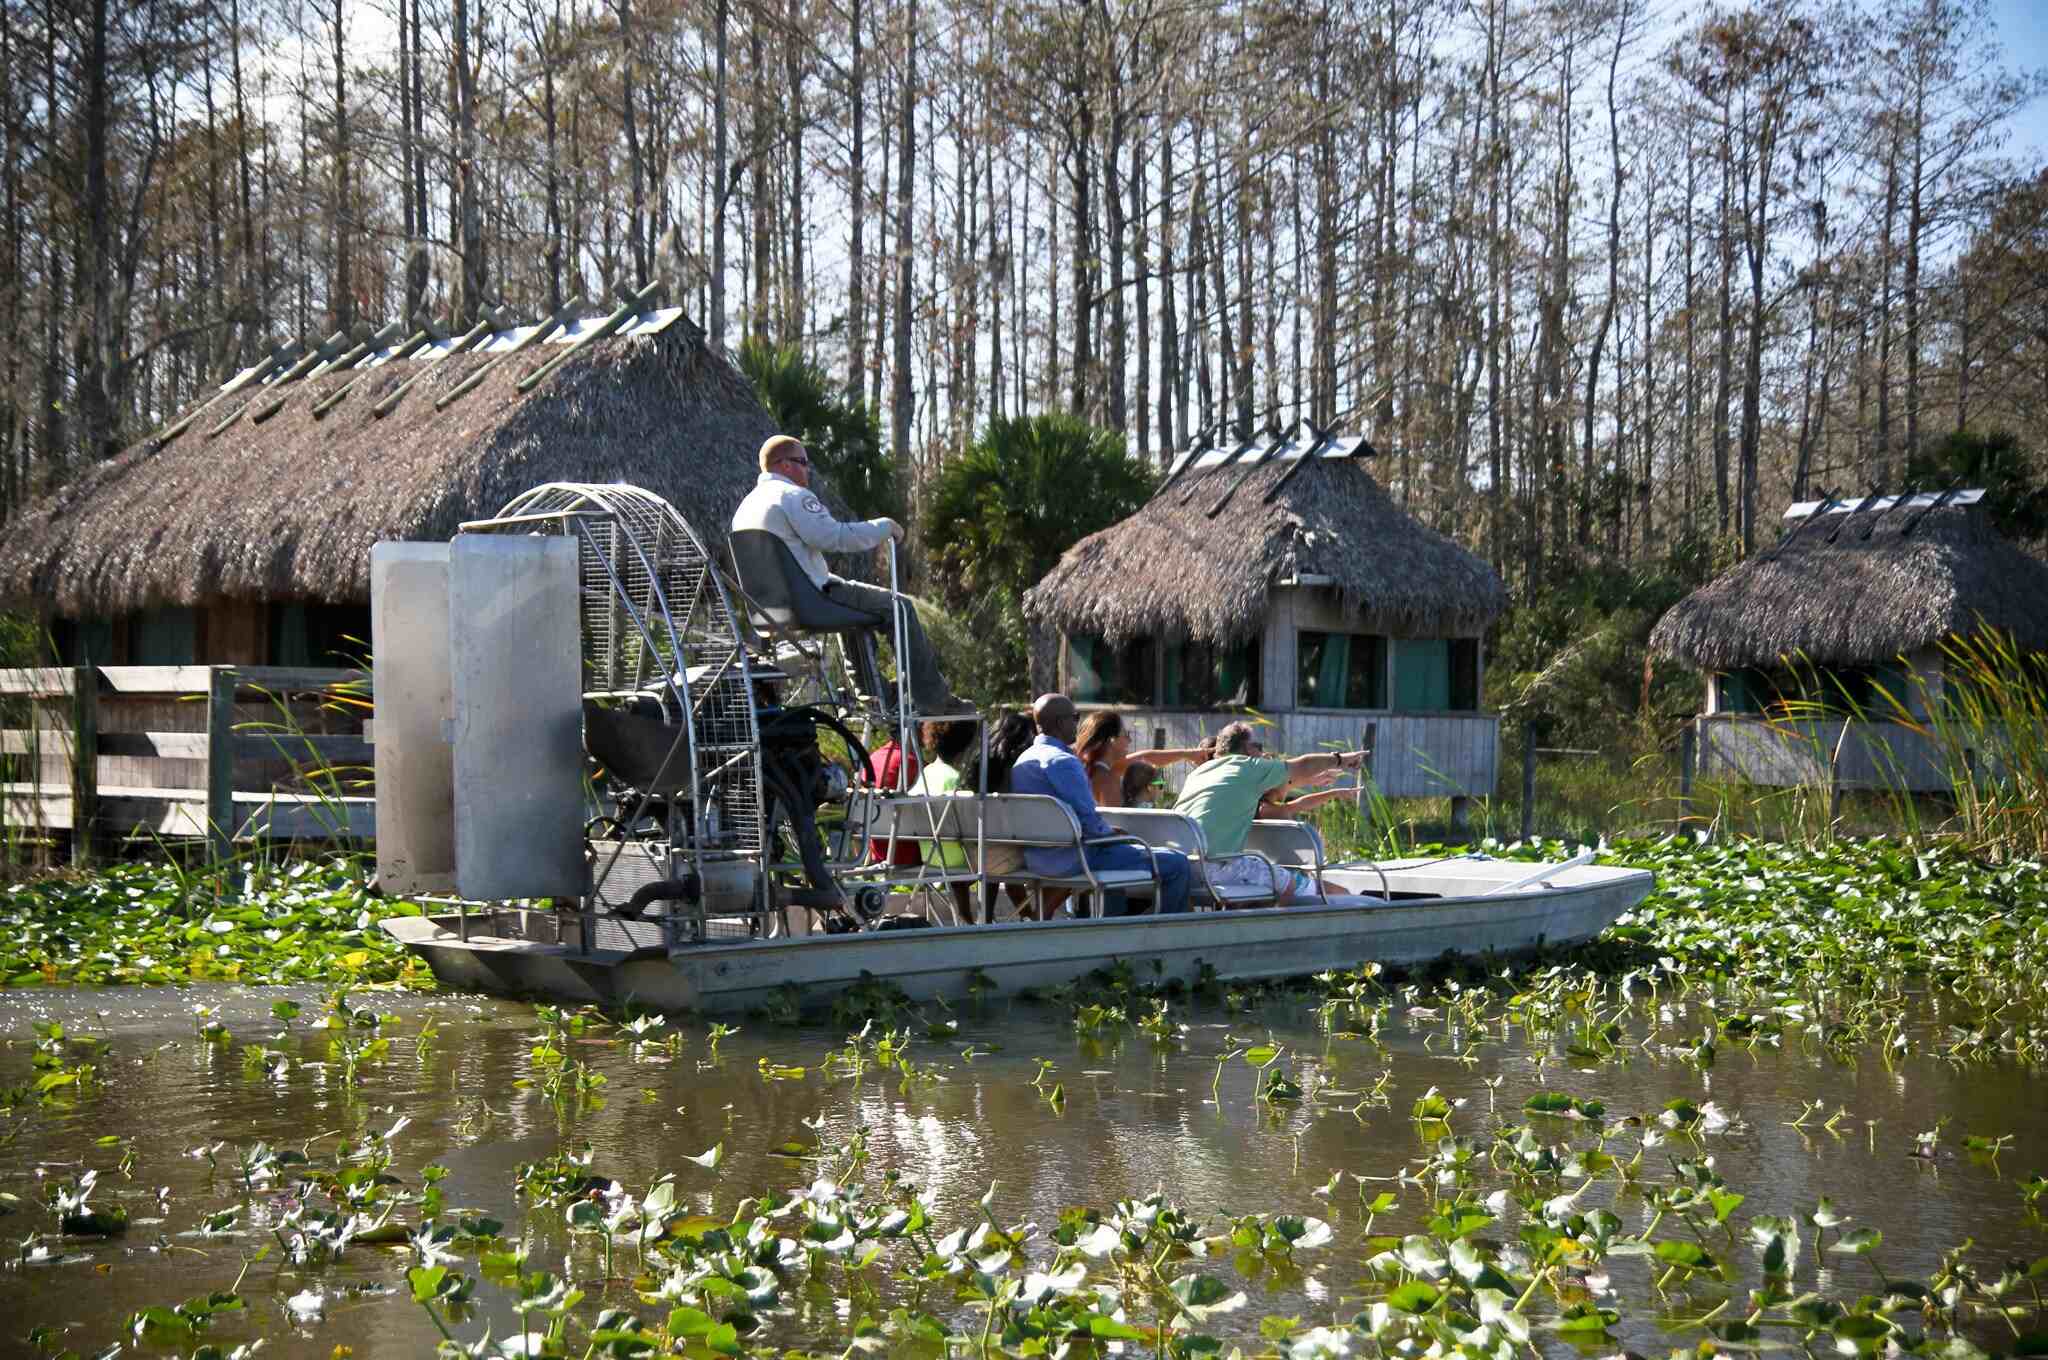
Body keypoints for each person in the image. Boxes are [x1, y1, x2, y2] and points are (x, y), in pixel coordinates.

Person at [731, 434, 965, 716]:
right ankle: (935, 700)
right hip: (812, 601)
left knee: (854, 606)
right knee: (899, 607)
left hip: (771, 612)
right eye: (803, 462)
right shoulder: (791, 495)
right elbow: (835, 537)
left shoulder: (745, 508)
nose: (808, 470)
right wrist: (883, 527)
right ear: (785, 465)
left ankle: (872, 697)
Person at [1009, 693, 1191, 917]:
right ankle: (1164, 937)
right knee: (1177, 863)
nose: (1077, 724)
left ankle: (1113, 931)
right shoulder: (1062, 762)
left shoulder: (1023, 760)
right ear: (1060, 723)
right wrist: (1113, 835)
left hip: (1037, 857)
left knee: (1119, 857)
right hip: (1074, 857)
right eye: (1074, 717)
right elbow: (1090, 823)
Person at [1172, 721, 1368, 905]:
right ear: (1248, 748)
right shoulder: (1247, 767)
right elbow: (1301, 765)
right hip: (1214, 868)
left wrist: (1309, 780)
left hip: (1181, 865)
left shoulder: (1201, 772)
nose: (1261, 751)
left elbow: (1289, 780)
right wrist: (1340, 760)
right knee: (1302, 887)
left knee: (1256, 871)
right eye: (1258, 745)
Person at [909, 719, 979, 922]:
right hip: (960, 857)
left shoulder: (926, 773)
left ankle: (966, 917)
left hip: (929, 856)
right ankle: (978, 918)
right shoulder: (956, 779)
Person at [1073, 710, 1212, 807]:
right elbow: (1117, 827)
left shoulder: (1093, 767)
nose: (1129, 740)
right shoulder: (1106, 778)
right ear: (1111, 740)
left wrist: (1188, 754)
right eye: (1125, 734)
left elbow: (1145, 757)